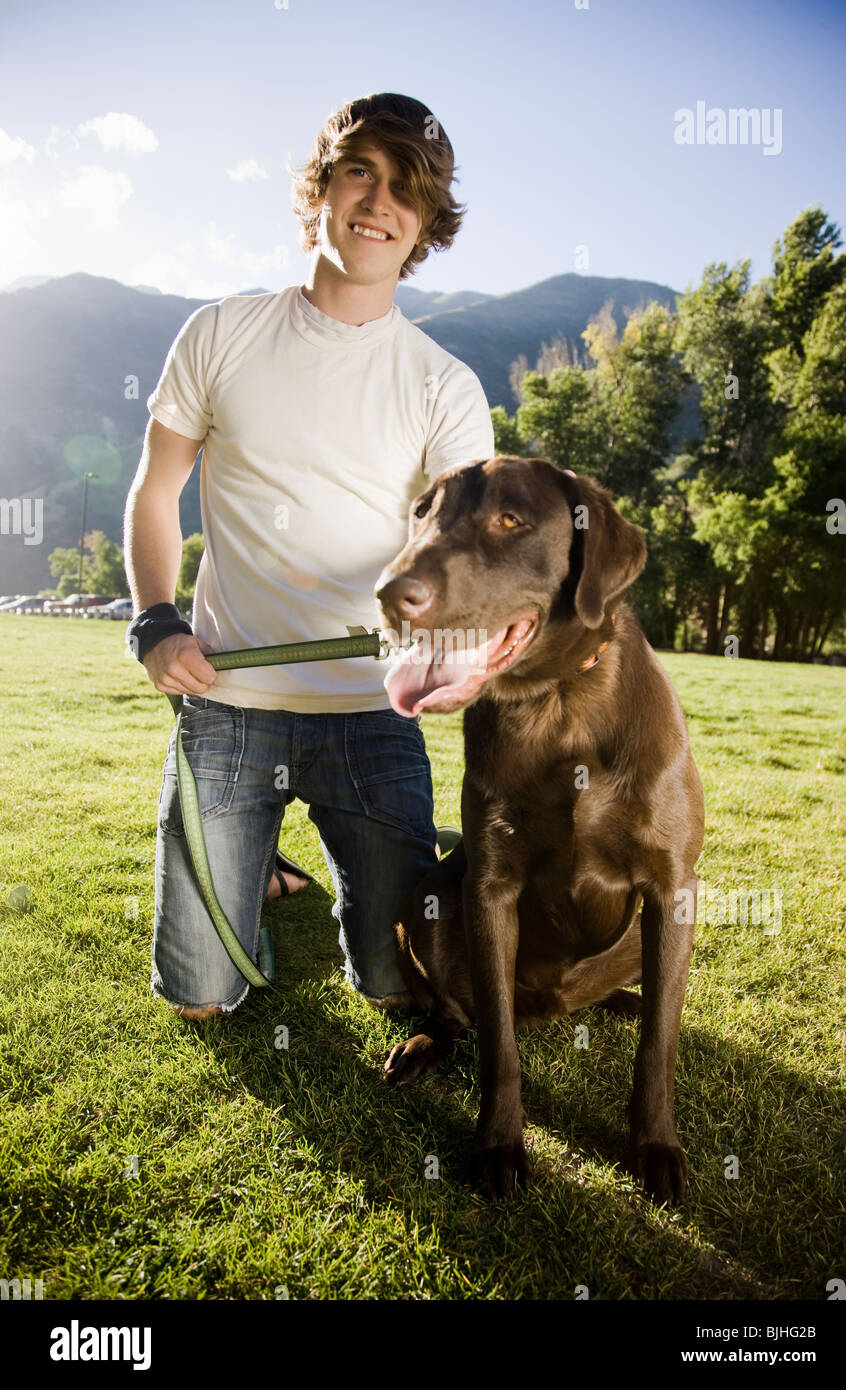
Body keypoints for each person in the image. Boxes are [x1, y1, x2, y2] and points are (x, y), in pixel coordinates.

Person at [123, 92, 494, 1021]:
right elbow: (155, 490)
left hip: (371, 714)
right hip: (230, 700)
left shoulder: (444, 384)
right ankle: (254, 876)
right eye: (361, 172)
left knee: (402, 985)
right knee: (202, 997)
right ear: (321, 188)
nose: (379, 203)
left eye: (406, 190)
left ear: (425, 228)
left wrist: (459, 651)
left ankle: (282, 870)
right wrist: (156, 621)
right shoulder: (220, 332)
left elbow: (461, 553)